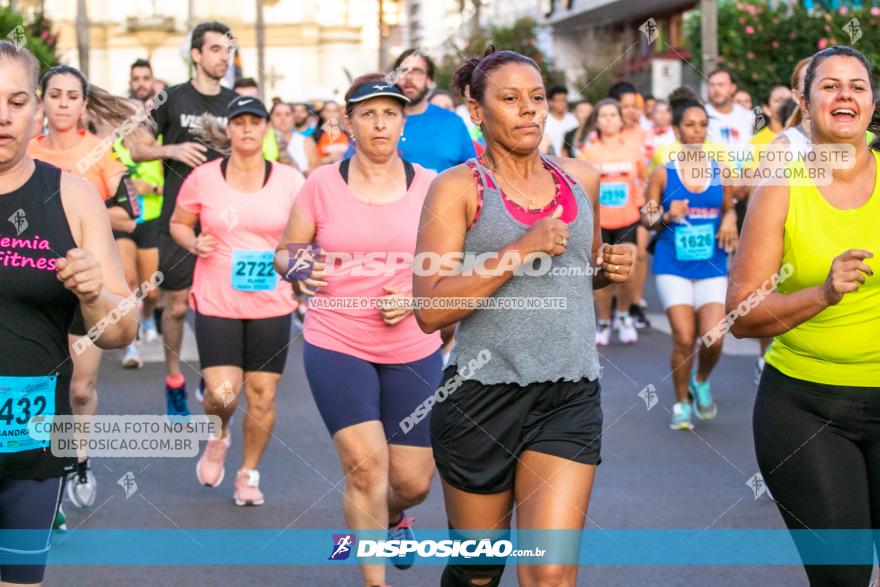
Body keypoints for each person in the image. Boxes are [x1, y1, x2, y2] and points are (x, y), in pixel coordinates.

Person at [414, 46, 634, 587]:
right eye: (510, 99)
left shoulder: (580, 178)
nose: (529, 110)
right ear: (478, 111)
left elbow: (580, 272)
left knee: (551, 574)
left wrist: (608, 269)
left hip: (569, 393)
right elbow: (430, 309)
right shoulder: (457, 188)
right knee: (479, 571)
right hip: (481, 398)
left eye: (536, 98)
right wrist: (519, 249)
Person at [273, 75, 443, 587]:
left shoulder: (433, 184)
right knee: (366, 469)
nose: (380, 123)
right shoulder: (321, 183)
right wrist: (299, 267)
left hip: (413, 343)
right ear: (349, 122)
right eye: (368, 114)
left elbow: (454, 266)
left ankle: (392, 518)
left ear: (403, 121)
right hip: (336, 339)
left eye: (390, 113)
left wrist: (417, 299)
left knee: (412, 481)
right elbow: (285, 251)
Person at [729, 46, 880, 586]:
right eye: (830, 85)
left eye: (857, 86)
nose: (844, 95)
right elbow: (742, 315)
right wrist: (822, 292)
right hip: (807, 409)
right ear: (805, 100)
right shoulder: (781, 186)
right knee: (843, 576)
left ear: (872, 101)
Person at [0, 40, 136, 586]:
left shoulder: (72, 197)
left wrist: (92, 293)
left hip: (29, 445)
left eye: (14, 101)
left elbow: (122, 329)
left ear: (35, 110)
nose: (2, 116)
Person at [170, 95, 304, 505]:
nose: (247, 128)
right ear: (228, 130)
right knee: (222, 394)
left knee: (262, 393)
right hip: (218, 299)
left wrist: (303, 280)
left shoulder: (290, 180)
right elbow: (178, 223)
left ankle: (249, 473)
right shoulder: (204, 178)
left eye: (254, 121)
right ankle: (219, 435)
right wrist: (194, 242)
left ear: (265, 129)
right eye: (239, 121)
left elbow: (306, 235)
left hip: (271, 301)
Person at [27, 64, 142, 511]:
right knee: (37, 383)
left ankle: (80, 458)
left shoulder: (99, 152)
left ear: (83, 105)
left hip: (87, 285)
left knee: (78, 387)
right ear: (42, 101)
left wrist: (76, 209)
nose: (61, 103)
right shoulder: (26, 149)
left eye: (71, 96)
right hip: (34, 281)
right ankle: (43, 472)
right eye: (53, 95)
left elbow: (129, 216)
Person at [130, 21, 238, 417]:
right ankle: (174, 378)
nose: (224, 58)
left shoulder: (233, 103)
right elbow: (135, 145)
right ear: (195, 54)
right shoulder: (170, 98)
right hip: (179, 219)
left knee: (219, 307)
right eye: (215, 50)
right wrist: (171, 150)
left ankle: (211, 372)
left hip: (225, 222)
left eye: (228, 51)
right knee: (176, 306)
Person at [641, 90, 738, 431]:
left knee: (714, 337)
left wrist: (729, 220)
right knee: (684, 337)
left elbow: (730, 207)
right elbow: (646, 219)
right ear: (678, 131)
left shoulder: (719, 170)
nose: (697, 131)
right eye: (690, 125)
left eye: (702, 125)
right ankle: (681, 402)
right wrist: (666, 214)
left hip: (712, 262)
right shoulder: (662, 173)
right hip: (673, 262)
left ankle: (701, 379)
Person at [579, 99, 645, 345]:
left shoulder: (633, 149)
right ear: (597, 121)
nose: (608, 119)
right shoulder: (588, 151)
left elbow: (642, 182)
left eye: (612, 115)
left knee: (627, 271)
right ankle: (604, 320)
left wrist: (649, 213)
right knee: (602, 272)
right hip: (599, 222)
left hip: (628, 218)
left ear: (620, 120)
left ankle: (625, 314)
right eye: (603, 115)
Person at [609, 80, 652, 330]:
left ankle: (634, 305)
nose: (631, 111)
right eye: (625, 106)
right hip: (611, 208)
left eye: (633, 106)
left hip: (642, 201)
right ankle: (616, 303)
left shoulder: (643, 133)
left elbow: (649, 172)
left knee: (640, 254)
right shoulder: (603, 133)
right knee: (613, 258)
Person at [390, 49, 476, 172]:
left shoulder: (452, 122)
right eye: (403, 71)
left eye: (417, 71)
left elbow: (473, 175)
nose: (409, 77)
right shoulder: (382, 124)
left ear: (429, 80)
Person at [269, 101, 318, 174]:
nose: (283, 118)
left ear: (293, 118)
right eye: (278, 114)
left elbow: (316, 170)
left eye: (287, 114)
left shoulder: (306, 141)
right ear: (270, 118)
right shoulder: (263, 141)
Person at [544, 84, 579, 156]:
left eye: (565, 100)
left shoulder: (573, 119)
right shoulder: (545, 121)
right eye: (559, 100)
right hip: (552, 161)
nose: (564, 103)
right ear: (551, 103)